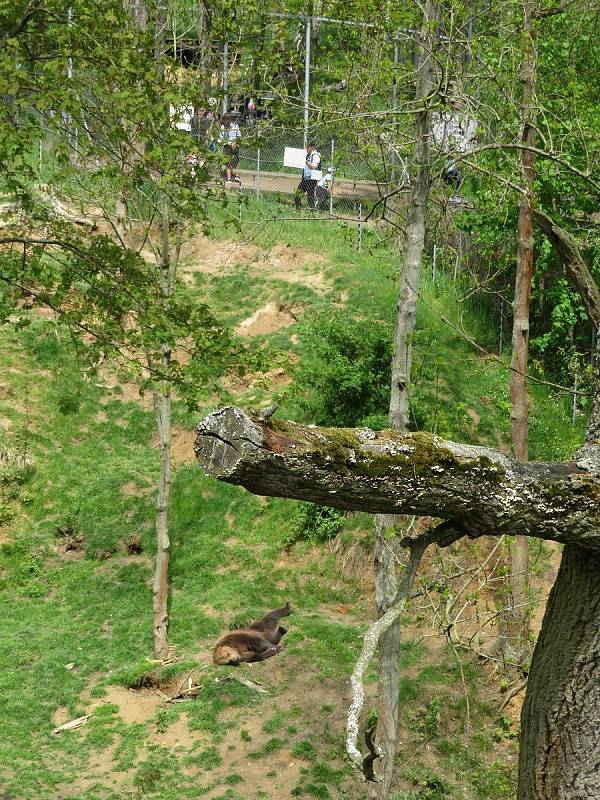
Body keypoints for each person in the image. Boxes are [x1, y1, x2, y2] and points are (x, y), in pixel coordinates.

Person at [294, 143, 321, 210]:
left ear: (311, 147)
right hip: (305, 179)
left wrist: (305, 161)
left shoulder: (316, 155)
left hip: (312, 179)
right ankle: (298, 209)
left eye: (307, 148)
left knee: (310, 196)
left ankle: (312, 211)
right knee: (297, 194)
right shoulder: (309, 155)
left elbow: (314, 166)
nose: (306, 149)